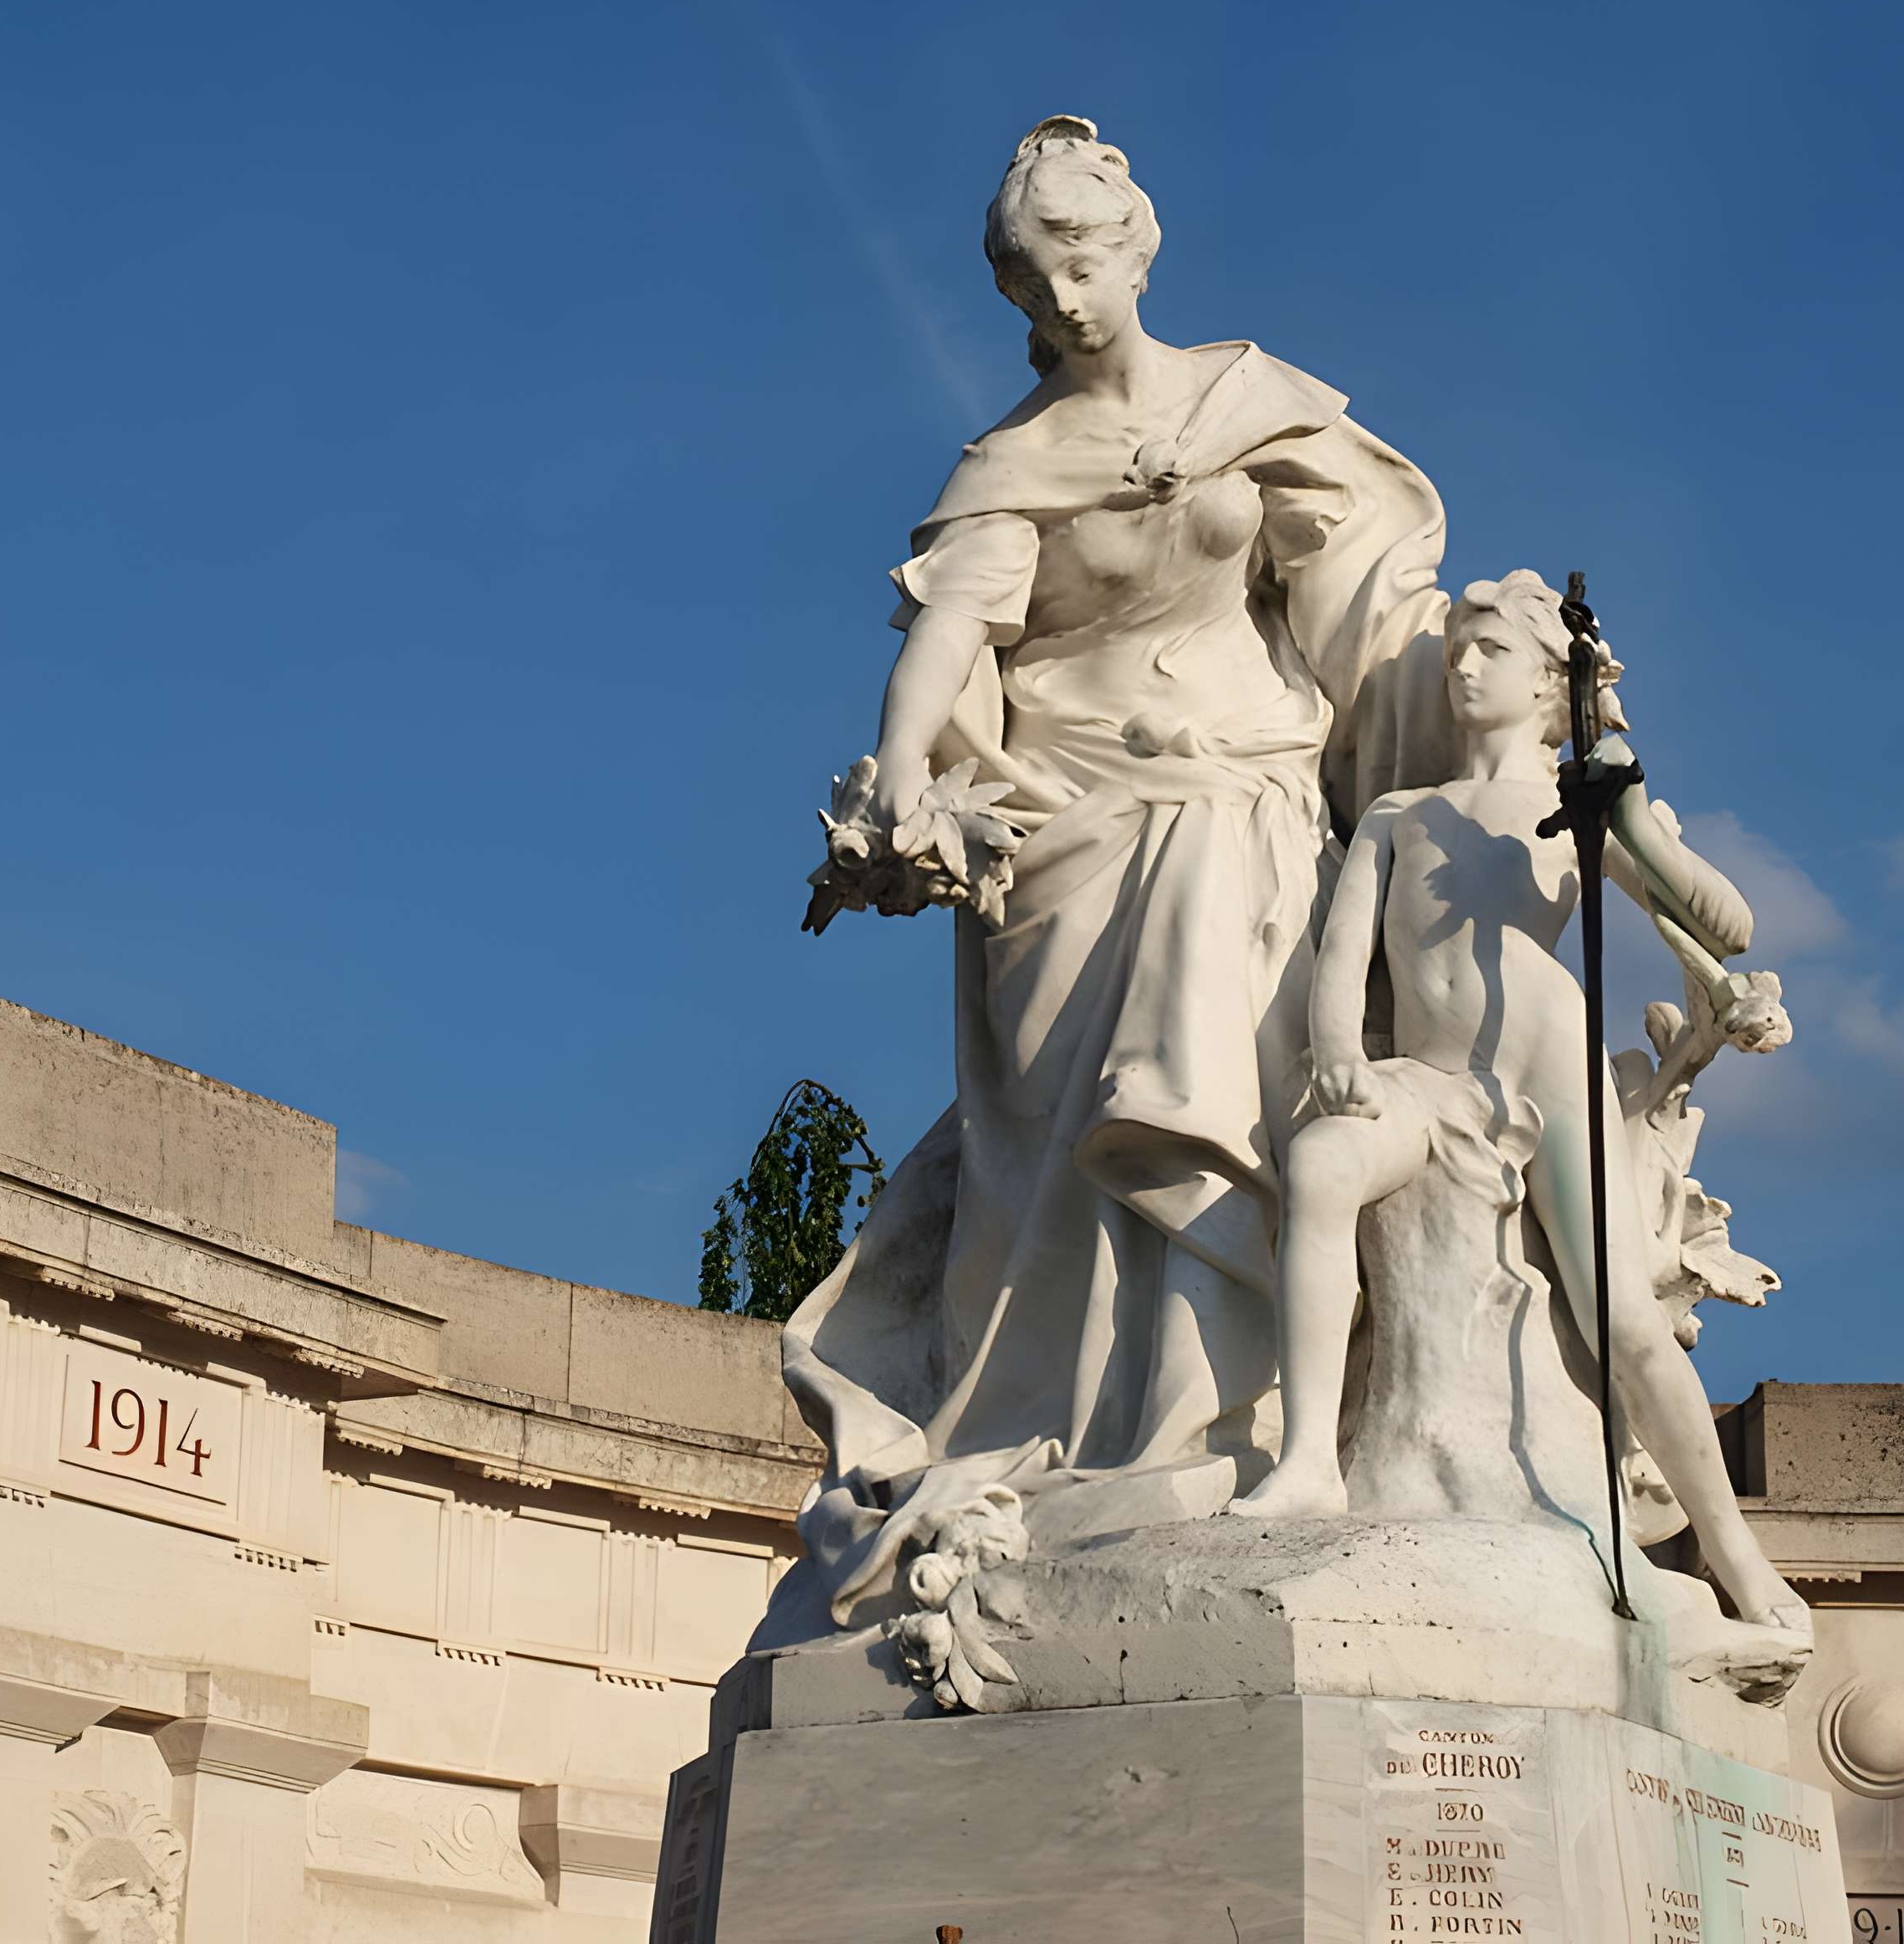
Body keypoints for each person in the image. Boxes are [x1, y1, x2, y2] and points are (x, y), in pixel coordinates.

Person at [766, 115, 1456, 1637]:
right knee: (1072, 1165)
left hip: (1246, 789)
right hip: (1065, 830)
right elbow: (955, 628)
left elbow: (1372, 627)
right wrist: (900, 766)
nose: (1065, 299)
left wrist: (1500, 725)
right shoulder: (1010, 465)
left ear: (1137, 249)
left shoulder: (1259, 409)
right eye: (1033, 280)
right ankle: (1094, 1439)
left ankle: (1221, 1428)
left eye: (1081, 261)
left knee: (1216, 1068)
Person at [1226, 569, 1808, 1636]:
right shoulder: (1400, 815)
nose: (1461, 663)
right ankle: (1307, 1460)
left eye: (1489, 648)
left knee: (1623, 1321)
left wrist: (1628, 820)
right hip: (1433, 1077)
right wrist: (1339, 1049)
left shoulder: (1571, 808)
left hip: (1544, 1067)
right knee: (1319, 1165)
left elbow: (1727, 926)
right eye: (1456, 645)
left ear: (1550, 682)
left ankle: (1736, 1556)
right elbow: (1340, 957)